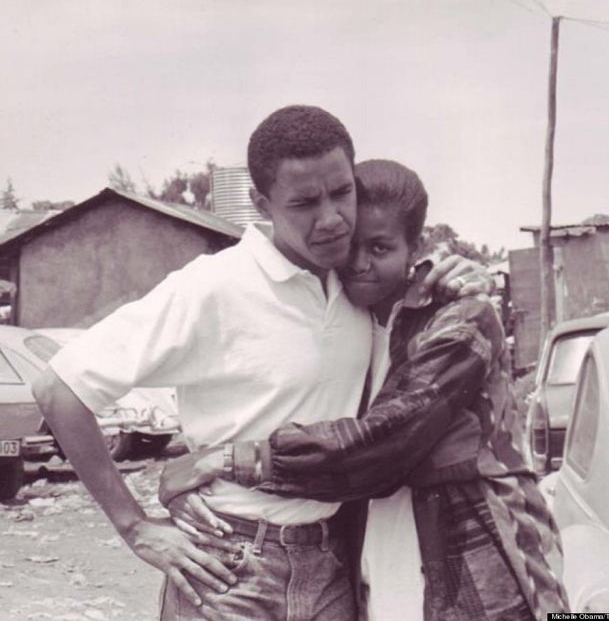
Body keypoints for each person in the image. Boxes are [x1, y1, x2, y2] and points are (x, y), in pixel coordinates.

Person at [32, 106, 488, 621]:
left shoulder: (356, 282)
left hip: (336, 563)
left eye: (342, 192)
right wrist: (135, 528)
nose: (332, 218)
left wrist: (457, 275)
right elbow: (58, 388)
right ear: (261, 204)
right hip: (230, 566)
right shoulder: (214, 286)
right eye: (305, 203)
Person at [160, 159, 569, 621]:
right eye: (350, 246)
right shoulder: (345, 320)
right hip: (375, 549)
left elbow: (382, 445)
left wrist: (222, 460)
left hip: (474, 545)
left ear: (415, 247)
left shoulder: (459, 317)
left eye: (380, 247)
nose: (359, 263)